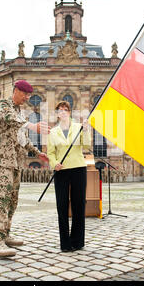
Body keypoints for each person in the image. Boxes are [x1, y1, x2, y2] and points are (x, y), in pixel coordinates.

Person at [0, 80, 50, 257]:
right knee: (2, 199)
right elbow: (11, 120)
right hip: (4, 162)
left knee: (13, 200)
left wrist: (38, 153)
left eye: (29, 95)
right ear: (16, 91)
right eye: (25, 94)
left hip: (16, 162)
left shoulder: (18, 111)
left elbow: (23, 138)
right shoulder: (4, 106)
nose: (27, 98)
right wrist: (32, 125)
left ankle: (6, 234)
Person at [47, 101, 91, 252]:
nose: (63, 112)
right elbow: (50, 153)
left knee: (79, 205)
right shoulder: (53, 132)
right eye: (60, 110)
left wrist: (85, 131)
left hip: (78, 168)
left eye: (66, 109)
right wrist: (54, 163)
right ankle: (65, 243)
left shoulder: (78, 128)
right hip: (61, 171)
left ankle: (77, 242)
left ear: (70, 112)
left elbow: (86, 147)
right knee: (62, 206)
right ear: (57, 114)